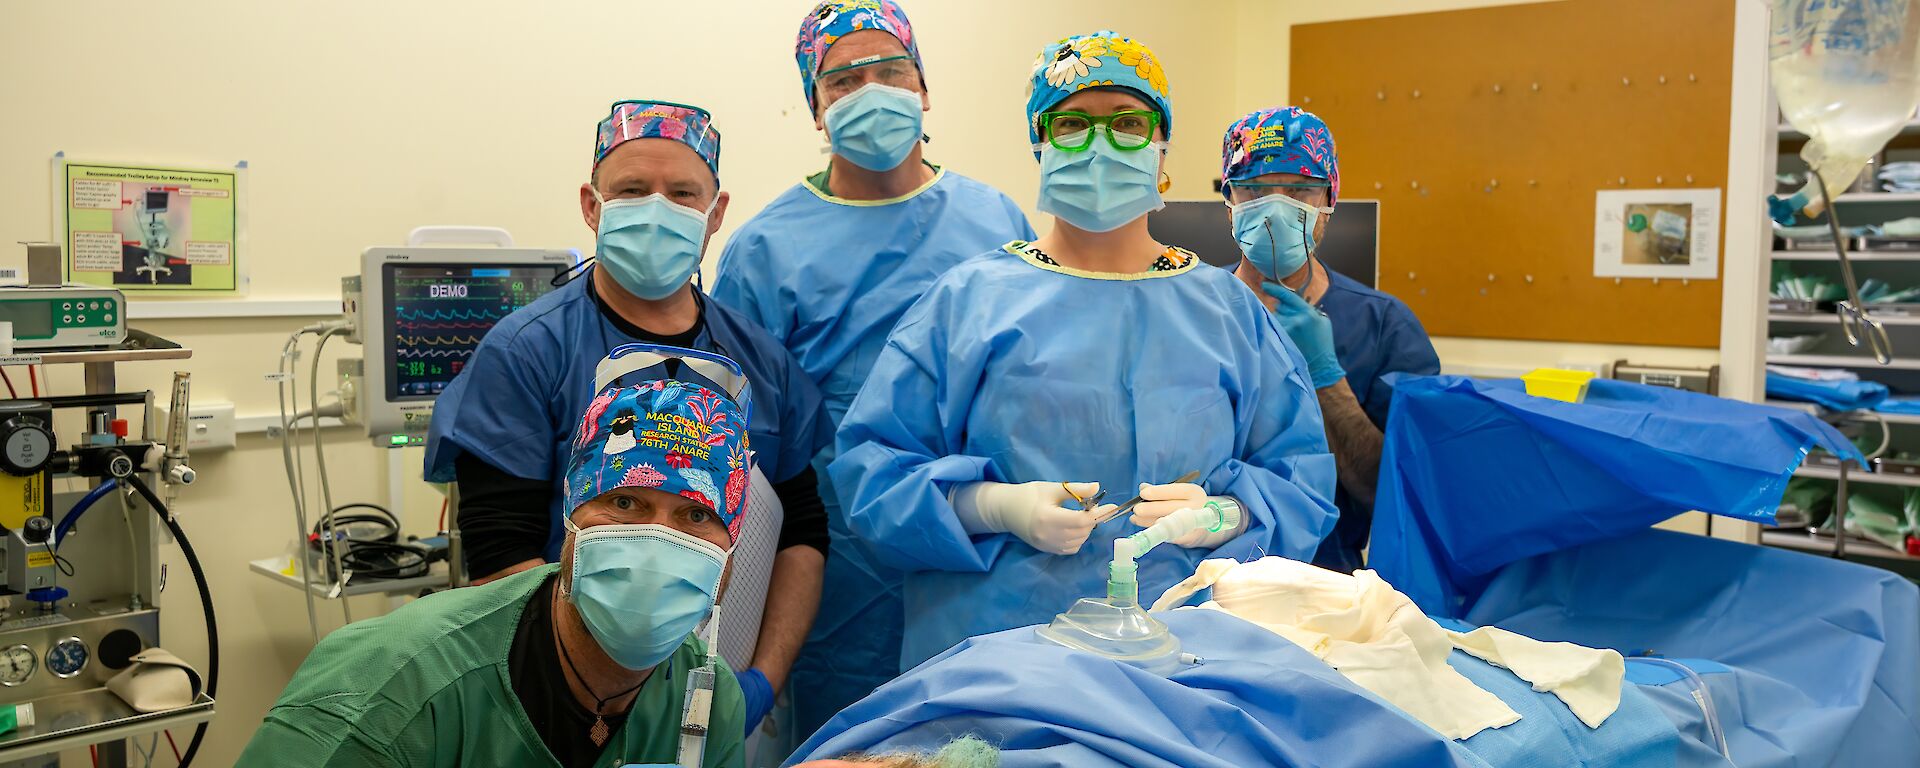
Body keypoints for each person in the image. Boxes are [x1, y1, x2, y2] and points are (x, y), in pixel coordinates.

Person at [828, 31, 1339, 670]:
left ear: (1162, 147)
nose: (1100, 145)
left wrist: (1229, 515)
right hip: (995, 664)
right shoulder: (968, 301)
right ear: (1040, 143)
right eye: (1073, 124)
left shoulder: (1228, 311)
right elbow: (873, 474)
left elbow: (1301, 482)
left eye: (1128, 123)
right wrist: (990, 506)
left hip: (1187, 656)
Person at [423, 100, 832, 733]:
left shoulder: (759, 362)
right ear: (592, 205)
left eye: (683, 194)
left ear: (716, 212)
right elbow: (499, 546)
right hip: (561, 694)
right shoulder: (529, 351)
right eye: (633, 191)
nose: (658, 210)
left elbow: (801, 530)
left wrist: (759, 683)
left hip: (716, 687)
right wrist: (601, 689)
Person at [710, 0, 1034, 733]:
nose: (871, 90)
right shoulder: (766, 250)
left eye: (891, 72)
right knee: (846, 736)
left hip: (978, 544)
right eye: (843, 81)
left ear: (924, 91)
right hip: (835, 568)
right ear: (816, 109)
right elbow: (739, 442)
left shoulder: (996, 223)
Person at [241, 376, 753, 766]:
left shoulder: (706, 697)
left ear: (732, 549)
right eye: (623, 502)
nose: (658, 540)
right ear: (571, 515)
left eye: (697, 515)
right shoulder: (393, 683)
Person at [1219, 106, 1440, 572]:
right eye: (1255, 190)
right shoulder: (1192, 309)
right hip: (1200, 569)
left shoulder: (1383, 326)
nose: (1276, 208)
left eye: (1299, 190)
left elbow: (1400, 497)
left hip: (1323, 579)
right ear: (1229, 201)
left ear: (1328, 202)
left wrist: (1326, 380)